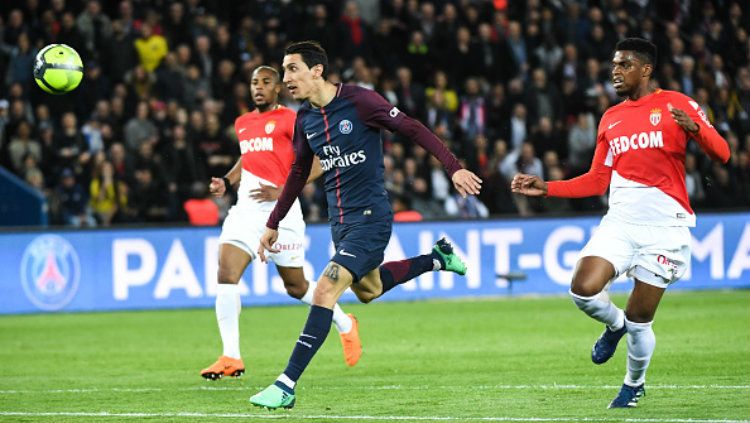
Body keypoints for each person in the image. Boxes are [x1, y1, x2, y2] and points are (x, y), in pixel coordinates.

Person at [249, 41, 482, 410]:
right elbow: (297, 172)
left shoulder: (360, 102)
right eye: (284, 70)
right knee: (368, 291)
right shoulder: (306, 120)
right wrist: (273, 222)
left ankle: (286, 384)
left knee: (325, 289)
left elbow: (413, 128)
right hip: (339, 223)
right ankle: (436, 259)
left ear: (317, 71)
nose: (286, 78)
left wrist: (454, 167)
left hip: (371, 219)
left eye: (292, 69)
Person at [511, 38, 730, 409]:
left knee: (640, 318)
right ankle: (615, 326)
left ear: (646, 69)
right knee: (582, 289)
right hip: (621, 222)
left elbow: (722, 153)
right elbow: (598, 179)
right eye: (614, 64)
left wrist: (695, 128)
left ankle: (633, 384)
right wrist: (547, 187)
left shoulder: (677, 104)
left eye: (624, 64)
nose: (615, 71)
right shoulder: (611, 118)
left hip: (665, 228)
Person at [200, 65, 363, 381]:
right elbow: (247, 158)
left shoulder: (292, 119)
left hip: (282, 213)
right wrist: (227, 180)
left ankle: (346, 323)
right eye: (254, 82)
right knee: (225, 273)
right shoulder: (243, 123)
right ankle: (231, 355)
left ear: (278, 89)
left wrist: (283, 189)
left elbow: (318, 160)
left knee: (296, 286)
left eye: (266, 82)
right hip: (244, 212)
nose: (258, 87)